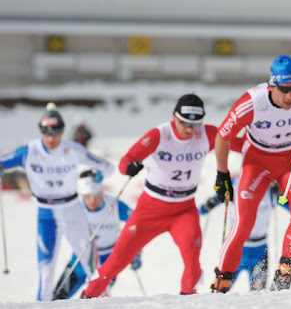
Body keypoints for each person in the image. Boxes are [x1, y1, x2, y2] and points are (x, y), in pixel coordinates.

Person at [210, 55, 291, 293]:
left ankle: (284, 274)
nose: (290, 96)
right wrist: (222, 173)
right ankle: (222, 281)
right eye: (284, 90)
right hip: (257, 161)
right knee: (243, 223)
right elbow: (223, 136)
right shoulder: (252, 102)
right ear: (271, 86)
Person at [81, 94, 218, 298]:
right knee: (116, 261)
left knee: (192, 259)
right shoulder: (159, 135)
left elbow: (240, 142)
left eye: (195, 124)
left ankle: (188, 300)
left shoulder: (207, 134)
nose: (190, 129)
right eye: (184, 122)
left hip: (183, 210)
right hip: (150, 209)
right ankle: (87, 298)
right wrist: (130, 166)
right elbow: (126, 160)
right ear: (174, 117)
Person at [0, 103, 115, 301]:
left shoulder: (73, 149)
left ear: (62, 131)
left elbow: (108, 168)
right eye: (47, 133)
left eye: (56, 133)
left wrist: (97, 177)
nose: (51, 138)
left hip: (72, 211)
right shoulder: (29, 151)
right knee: (46, 274)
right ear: (40, 131)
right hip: (46, 215)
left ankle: (109, 303)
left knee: (92, 267)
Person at [53, 170, 139, 299]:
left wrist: (135, 253)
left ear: (102, 192)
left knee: (96, 300)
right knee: (55, 299)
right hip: (80, 261)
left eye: (96, 195)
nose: (93, 200)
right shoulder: (73, 206)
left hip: (109, 262)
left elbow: (137, 225)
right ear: (82, 194)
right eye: (88, 196)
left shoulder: (115, 205)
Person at [199, 181, 282, 291]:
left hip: (259, 253)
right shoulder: (235, 184)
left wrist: (281, 193)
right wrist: (209, 204)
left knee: (258, 295)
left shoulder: (269, 188)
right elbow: (203, 209)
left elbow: (290, 205)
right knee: (219, 292)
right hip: (235, 251)